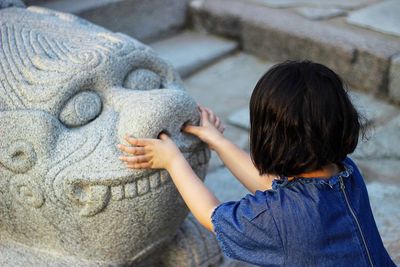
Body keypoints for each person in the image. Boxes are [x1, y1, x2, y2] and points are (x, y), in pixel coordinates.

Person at [117, 61, 395, 266]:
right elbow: (277, 188)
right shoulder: (345, 172)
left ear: (269, 138)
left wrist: (173, 160)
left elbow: (212, 215)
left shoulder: (278, 216)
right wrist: (219, 143)